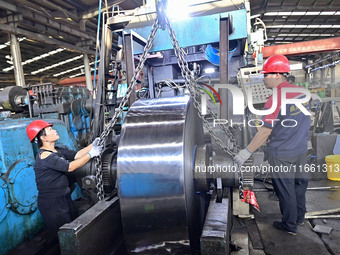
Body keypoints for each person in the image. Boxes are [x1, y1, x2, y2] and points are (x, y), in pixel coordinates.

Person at [234, 55, 311, 235]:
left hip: (282, 152)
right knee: (299, 185)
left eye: (266, 75)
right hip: (301, 149)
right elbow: (297, 121)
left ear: (277, 74)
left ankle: (289, 225)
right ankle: (299, 218)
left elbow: (265, 131)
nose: (263, 78)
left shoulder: (274, 99)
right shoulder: (302, 93)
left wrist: (246, 152)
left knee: (286, 190)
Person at [26, 119, 103, 236]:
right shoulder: (45, 156)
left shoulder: (57, 150)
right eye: (50, 129)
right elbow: (70, 167)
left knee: (72, 230)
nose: (55, 130)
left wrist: (93, 145)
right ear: (43, 138)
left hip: (64, 197)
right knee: (64, 235)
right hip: (52, 204)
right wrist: (91, 154)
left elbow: (76, 155)